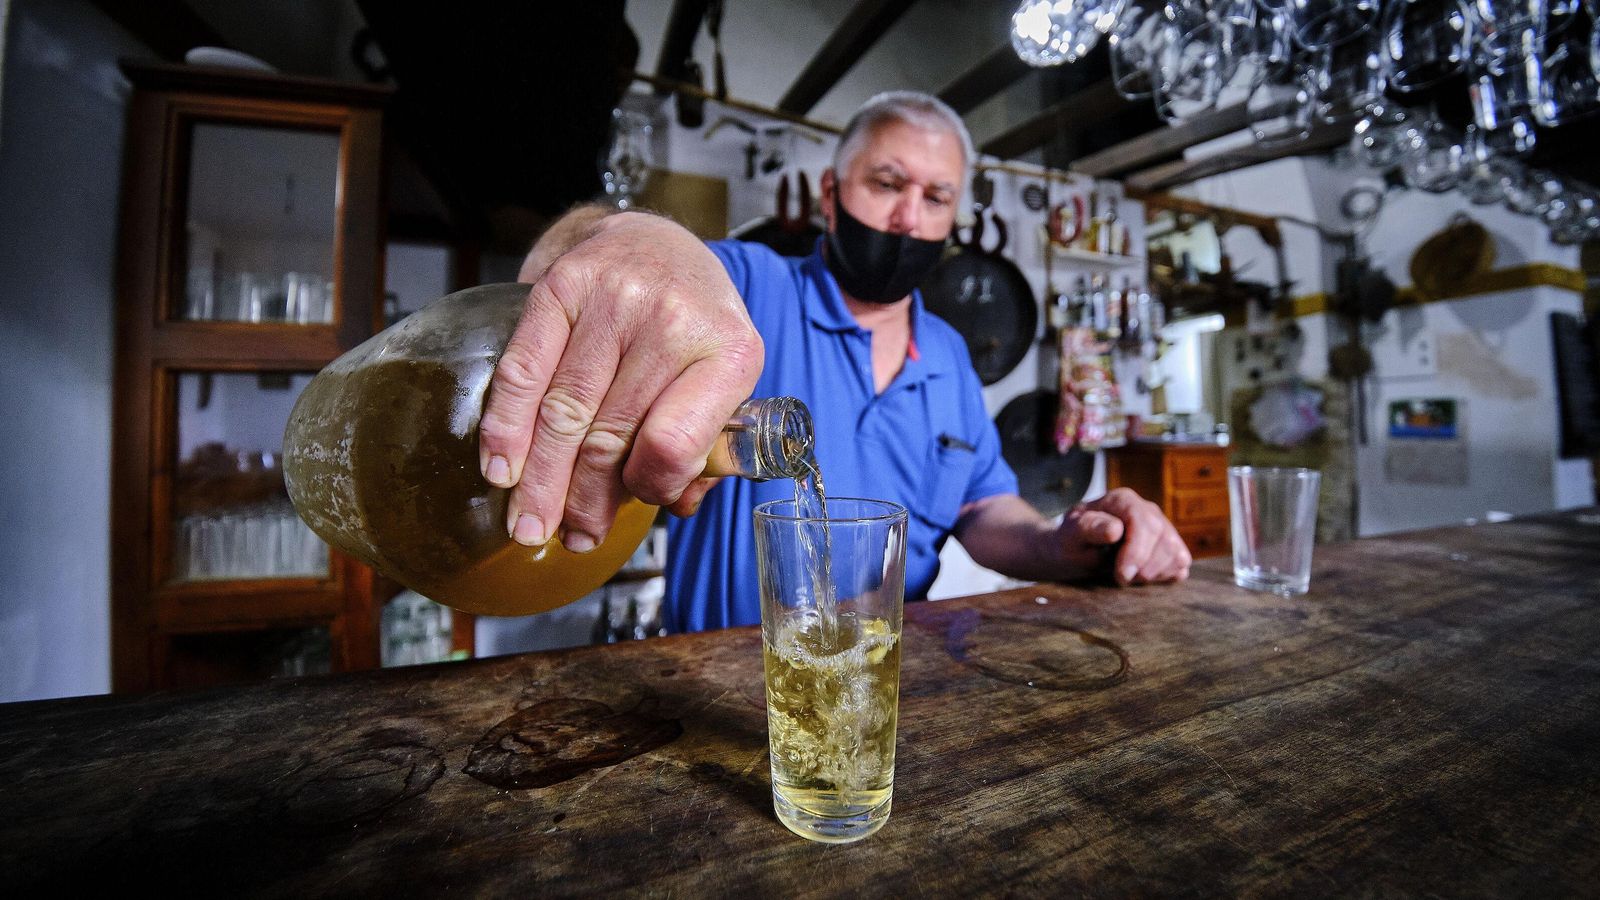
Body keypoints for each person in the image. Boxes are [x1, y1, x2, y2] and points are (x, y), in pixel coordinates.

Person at [478, 91, 1190, 632]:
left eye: (935, 197)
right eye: (887, 183)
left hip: (881, 676)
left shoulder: (947, 355)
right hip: (707, 669)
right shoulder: (748, 289)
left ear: (951, 220)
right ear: (831, 195)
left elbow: (980, 506)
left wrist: (1060, 539)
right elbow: (592, 259)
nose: (909, 217)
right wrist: (623, 237)